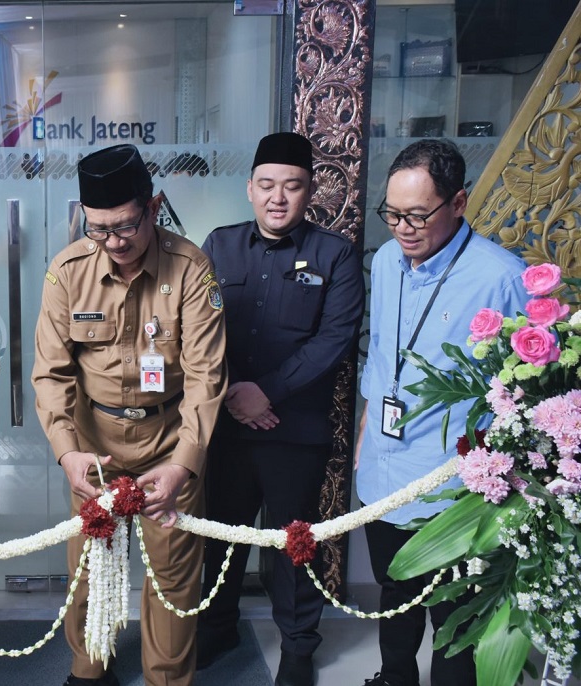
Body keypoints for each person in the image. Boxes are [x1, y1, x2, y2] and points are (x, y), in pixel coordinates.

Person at [32, 143, 227, 686]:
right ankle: (89, 671)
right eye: (98, 229)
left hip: (170, 443)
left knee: (172, 579)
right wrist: (67, 453)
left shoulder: (191, 269)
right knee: (89, 572)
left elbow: (207, 376)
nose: (113, 241)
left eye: (125, 226)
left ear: (153, 206)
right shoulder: (67, 272)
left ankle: (167, 678)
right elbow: (51, 373)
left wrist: (184, 463)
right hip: (94, 449)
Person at [355, 138, 530, 686]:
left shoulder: (502, 278)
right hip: (384, 471)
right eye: (391, 214)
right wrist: (367, 429)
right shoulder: (387, 261)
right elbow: (381, 351)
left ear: (458, 202)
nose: (402, 229)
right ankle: (394, 677)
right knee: (394, 592)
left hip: (453, 486)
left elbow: (529, 391)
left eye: (417, 215)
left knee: (455, 614)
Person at [196, 132, 365, 686]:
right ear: (249, 188)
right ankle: (217, 629)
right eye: (266, 184)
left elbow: (335, 339)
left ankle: (297, 646)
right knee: (221, 536)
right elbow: (196, 330)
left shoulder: (336, 254)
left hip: (293, 430)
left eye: (291, 186)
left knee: (296, 542)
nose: (278, 197)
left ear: (309, 191)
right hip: (225, 426)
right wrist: (232, 393)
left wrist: (264, 392)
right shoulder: (219, 246)